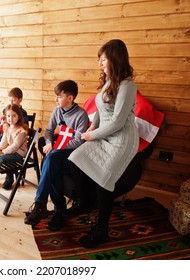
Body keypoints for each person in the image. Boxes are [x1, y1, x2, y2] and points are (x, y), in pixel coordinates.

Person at [68, 39, 139, 248]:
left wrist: (93, 135)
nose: (100, 64)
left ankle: (101, 229)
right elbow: (100, 109)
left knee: (104, 182)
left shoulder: (128, 85)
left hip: (122, 139)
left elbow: (117, 121)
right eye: (99, 60)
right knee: (75, 158)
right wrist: (92, 126)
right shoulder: (108, 82)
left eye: (103, 59)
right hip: (102, 133)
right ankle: (86, 202)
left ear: (114, 60)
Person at [24, 80, 89, 231]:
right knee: (52, 163)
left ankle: (41, 204)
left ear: (70, 98)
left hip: (73, 156)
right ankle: (59, 212)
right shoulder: (57, 111)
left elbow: (77, 142)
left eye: (59, 96)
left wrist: (55, 146)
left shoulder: (81, 115)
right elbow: (48, 131)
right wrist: (48, 142)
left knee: (50, 159)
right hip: (57, 152)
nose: (56, 99)